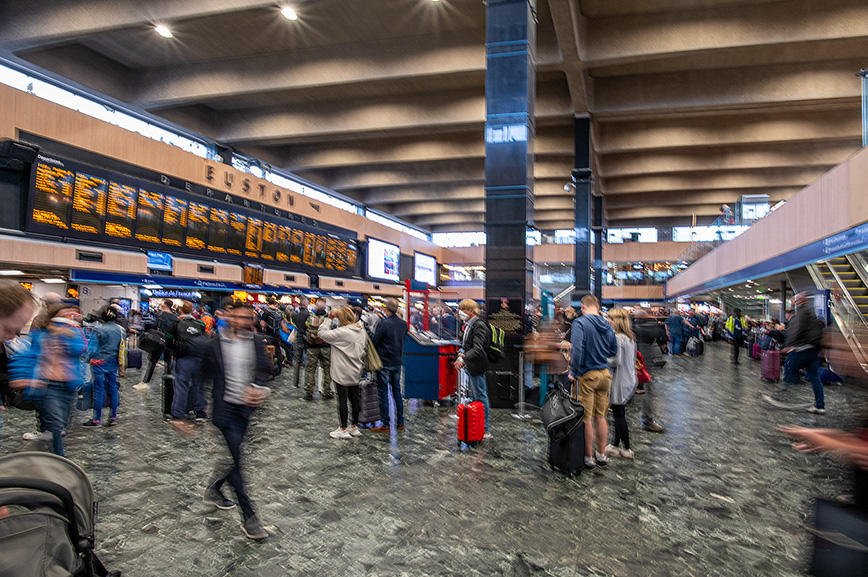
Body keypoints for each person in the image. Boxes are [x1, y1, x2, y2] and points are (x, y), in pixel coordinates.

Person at [202, 302, 273, 540]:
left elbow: (264, 371)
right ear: (229, 318)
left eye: (249, 318)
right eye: (240, 317)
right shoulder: (214, 345)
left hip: (246, 410)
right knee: (237, 461)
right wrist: (185, 414)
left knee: (234, 457)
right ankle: (249, 517)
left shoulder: (255, 342)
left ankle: (214, 489)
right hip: (224, 411)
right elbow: (202, 376)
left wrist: (258, 388)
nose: (245, 322)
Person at [9, 302, 82, 457]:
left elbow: (82, 349)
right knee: (56, 426)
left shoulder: (71, 336)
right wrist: (20, 376)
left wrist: (69, 337)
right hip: (48, 385)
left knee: (63, 425)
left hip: (67, 387)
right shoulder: (40, 337)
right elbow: (24, 354)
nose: (66, 320)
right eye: (62, 317)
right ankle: (59, 459)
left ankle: (55, 450)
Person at [568, 295, 618, 470]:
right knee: (601, 415)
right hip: (605, 374)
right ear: (597, 307)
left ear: (583, 306)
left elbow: (577, 349)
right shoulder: (607, 324)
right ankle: (602, 454)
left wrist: (574, 371)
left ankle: (589, 457)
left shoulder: (580, 323)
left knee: (586, 418)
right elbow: (613, 349)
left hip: (587, 375)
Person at [318, 306, 367, 439]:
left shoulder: (342, 332)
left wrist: (329, 319)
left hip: (342, 371)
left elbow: (322, 333)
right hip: (356, 369)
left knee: (342, 400)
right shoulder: (361, 331)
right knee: (355, 399)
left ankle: (343, 428)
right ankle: (354, 427)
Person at [781, 291, 826, 414]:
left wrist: (788, 345)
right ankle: (820, 405)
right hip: (815, 349)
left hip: (804, 348)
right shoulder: (812, 313)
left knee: (789, 365)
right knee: (814, 376)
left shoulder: (801, 313)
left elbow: (795, 330)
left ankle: (782, 396)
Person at [453, 299, 491, 439]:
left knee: (481, 396)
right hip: (471, 365)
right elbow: (467, 345)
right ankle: (477, 426)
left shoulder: (479, 325)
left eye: (463, 309)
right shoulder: (468, 325)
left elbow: (478, 348)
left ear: (471, 311)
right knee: (475, 397)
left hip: (477, 365)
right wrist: (461, 355)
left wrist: (463, 357)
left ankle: (485, 427)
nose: (460, 312)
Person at [370, 298, 408, 433]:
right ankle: (400, 422)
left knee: (383, 392)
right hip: (397, 361)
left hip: (384, 362)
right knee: (397, 392)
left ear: (386, 309)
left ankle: (385, 423)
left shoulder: (383, 324)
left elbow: (374, 341)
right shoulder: (404, 324)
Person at [83, 306, 125, 428]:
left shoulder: (99, 329)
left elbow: (92, 347)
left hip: (99, 361)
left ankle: (96, 419)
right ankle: (113, 416)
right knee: (113, 388)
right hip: (113, 360)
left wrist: (87, 359)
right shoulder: (121, 329)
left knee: (98, 390)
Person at [605, 308, 637, 459]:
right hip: (628, 378)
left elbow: (615, 361)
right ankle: (615, 444)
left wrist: (602, 358)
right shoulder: (629, 337)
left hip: (619, 380)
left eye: (610, 318)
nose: (608, 321)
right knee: (619, 413)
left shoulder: (618, 338)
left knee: (619, 415)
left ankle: (626, 448)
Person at [171, 300, 209, 423]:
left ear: (180, 310)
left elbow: (169, 341)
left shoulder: (176, 323)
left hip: (183, 358)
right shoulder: (199, 323)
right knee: (198, 385)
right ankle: (200, 411)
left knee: (181, 386)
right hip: (199, 357)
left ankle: (178, 413)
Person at [632, 308, 666, 433]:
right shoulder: (652, 327)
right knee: (648, 390)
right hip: (646, 362)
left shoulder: (633, 328)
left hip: (635, 359)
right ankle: (647, 420)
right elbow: (660, 338)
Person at [135, 299, 179, 390]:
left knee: (152, 362)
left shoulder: (159, 315)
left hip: (158, 341)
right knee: (169, 362)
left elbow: (153, 326)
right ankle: (168, 381)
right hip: (169, 342)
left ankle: (145, 382)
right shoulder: (175, 318)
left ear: (164, 306)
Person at [304, 297, 334, 401]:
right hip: (325, 346)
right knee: (326, 369)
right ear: (325, 306)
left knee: (311, 370)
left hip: (312, 347)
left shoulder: (310, 316)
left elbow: (305, 330)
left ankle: (309, 392)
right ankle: (327, 391)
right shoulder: (328, 318)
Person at [287, 296, 310, 389]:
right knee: (307, 363)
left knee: (297, 362)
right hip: (307, 340)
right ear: (305, 304)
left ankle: (295, 384)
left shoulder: (295, 315)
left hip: (297, 339)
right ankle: (306, 383)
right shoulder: (309, 315)